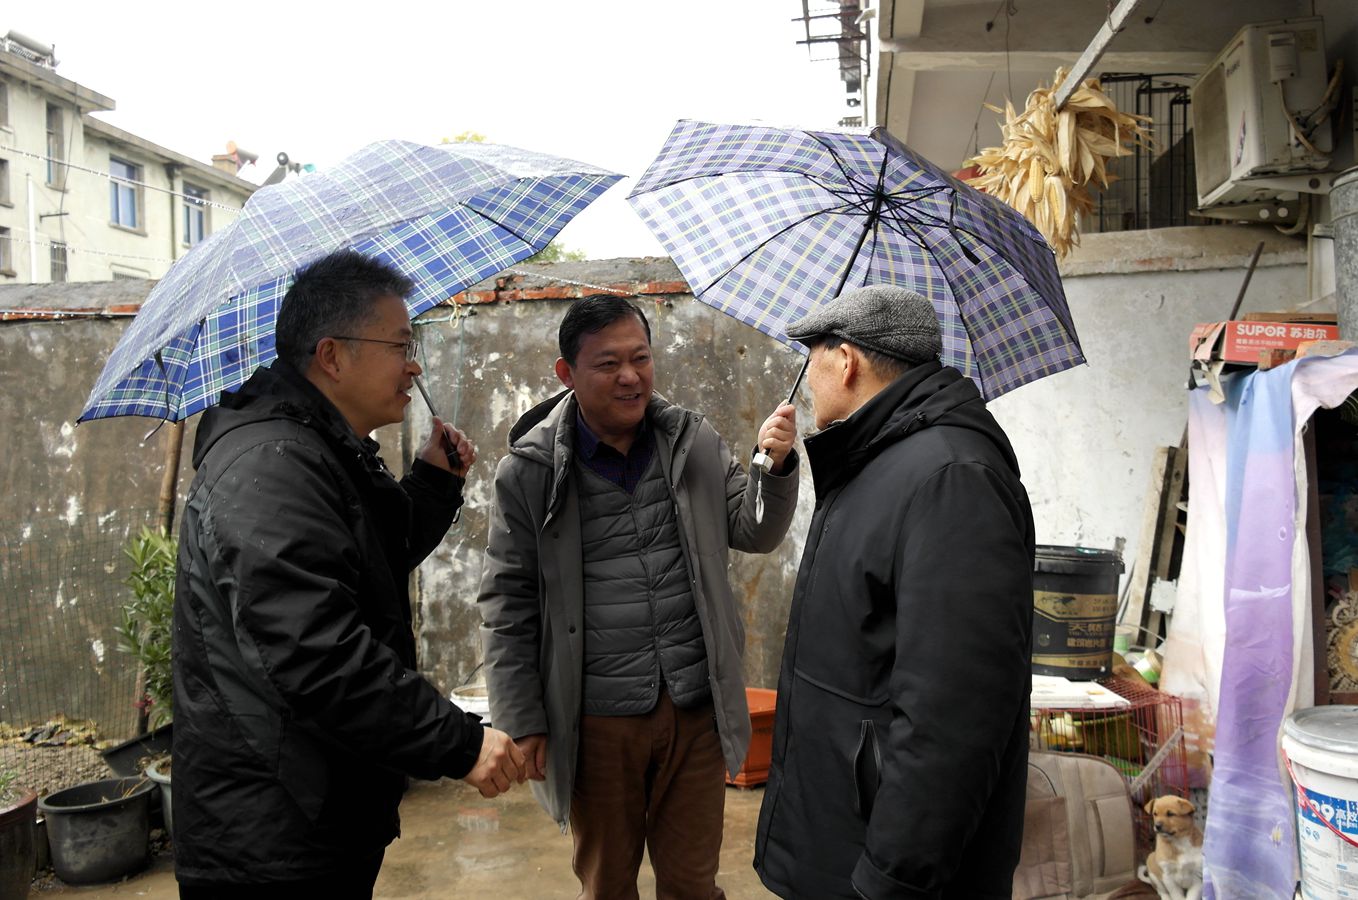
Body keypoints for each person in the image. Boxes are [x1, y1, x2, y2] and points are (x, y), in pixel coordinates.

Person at [172, 250, 526, 899]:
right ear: (332, 356)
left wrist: (433, 480)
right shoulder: (271, 464)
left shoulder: (318, 446)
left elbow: (369, 562)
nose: (414, 365)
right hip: (271, 835)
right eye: (400, 345)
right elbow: (315, 651)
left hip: (315, 812)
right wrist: (459, 744)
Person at [478, 294, 800, 898]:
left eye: (641, 358)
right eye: (608, 363)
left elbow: (753, 529)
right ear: (567, 373)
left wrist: (772, 465)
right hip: (597, 720)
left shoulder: (691, 441)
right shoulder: (530, 472)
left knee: (693, 883)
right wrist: (522, 720)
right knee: (607, 883)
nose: (630, 376)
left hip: (693, 709)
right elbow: (507, 605)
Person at [754, 284, 1036, 900]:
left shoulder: (952, 479)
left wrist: (890, 881)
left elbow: (953, 716)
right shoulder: (876, 460)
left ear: (845, 360)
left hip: (885, 870)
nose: (808, 380)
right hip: (843, 842)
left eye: (812, 358)